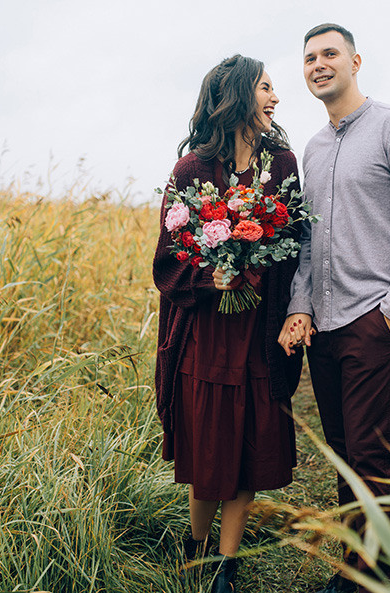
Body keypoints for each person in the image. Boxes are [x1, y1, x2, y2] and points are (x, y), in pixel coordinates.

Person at [278, 23, 390, 593]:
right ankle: (370, 562)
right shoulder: (314, 149)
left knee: (370, 448)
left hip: (375, 319)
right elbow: (305, 240)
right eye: (309, 58)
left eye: (329, 54)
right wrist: (300, 307)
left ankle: (370, 572)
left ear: (355, 61)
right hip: (325, 325)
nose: (318, 65)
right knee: (345, 452)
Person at [153, 54, 305, 593]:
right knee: (208, 448)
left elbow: (295, 247)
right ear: (239, 95)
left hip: (258, 333)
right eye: (266, 88)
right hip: (206, 335)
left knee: (249, 445)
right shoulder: (191, 171)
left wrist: (292, 310)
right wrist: (207, 278)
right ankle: (195, 545)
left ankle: (226, 563)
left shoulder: (282, 163)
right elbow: (166, 262)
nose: (276, 98)